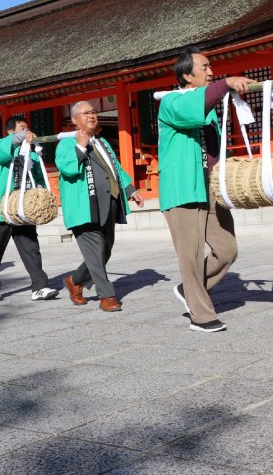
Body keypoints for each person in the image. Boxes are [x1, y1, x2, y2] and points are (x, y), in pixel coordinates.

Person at [157, 48, 255, 333]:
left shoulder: (207, 109)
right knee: (190, 254)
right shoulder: (171, 101)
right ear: (186, 75)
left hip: (210, 188)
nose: (212, 72)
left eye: (211, 67)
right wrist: (226, 84)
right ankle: (200, 315)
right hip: (183, 189)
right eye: (205, 67)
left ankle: (189, 290)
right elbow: (194, 111)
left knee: (227, 250)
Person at [56, 101, 144, 312]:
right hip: (84, 207)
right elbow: (68, 169)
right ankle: (107, 295)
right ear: (74, 120)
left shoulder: (102, 142)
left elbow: (116, 169)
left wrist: (131, 190)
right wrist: (80, 145)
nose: (91, 116)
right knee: (96, 251)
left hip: (109, 203)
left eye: (94, 112)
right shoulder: (66, 144)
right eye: (85, 113)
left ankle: (75, 280)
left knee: (105, 250)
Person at [0, 115, 58, 302]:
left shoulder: (31, 155)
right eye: (22, 128)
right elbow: (11, 144)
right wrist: (22, 137)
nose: (27, 131)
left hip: (23, 210)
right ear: (10, 132)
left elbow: (38, 177)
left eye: (27, 128)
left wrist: (41, 194)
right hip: (0, 211)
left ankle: (40, 287)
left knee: (31, 248)